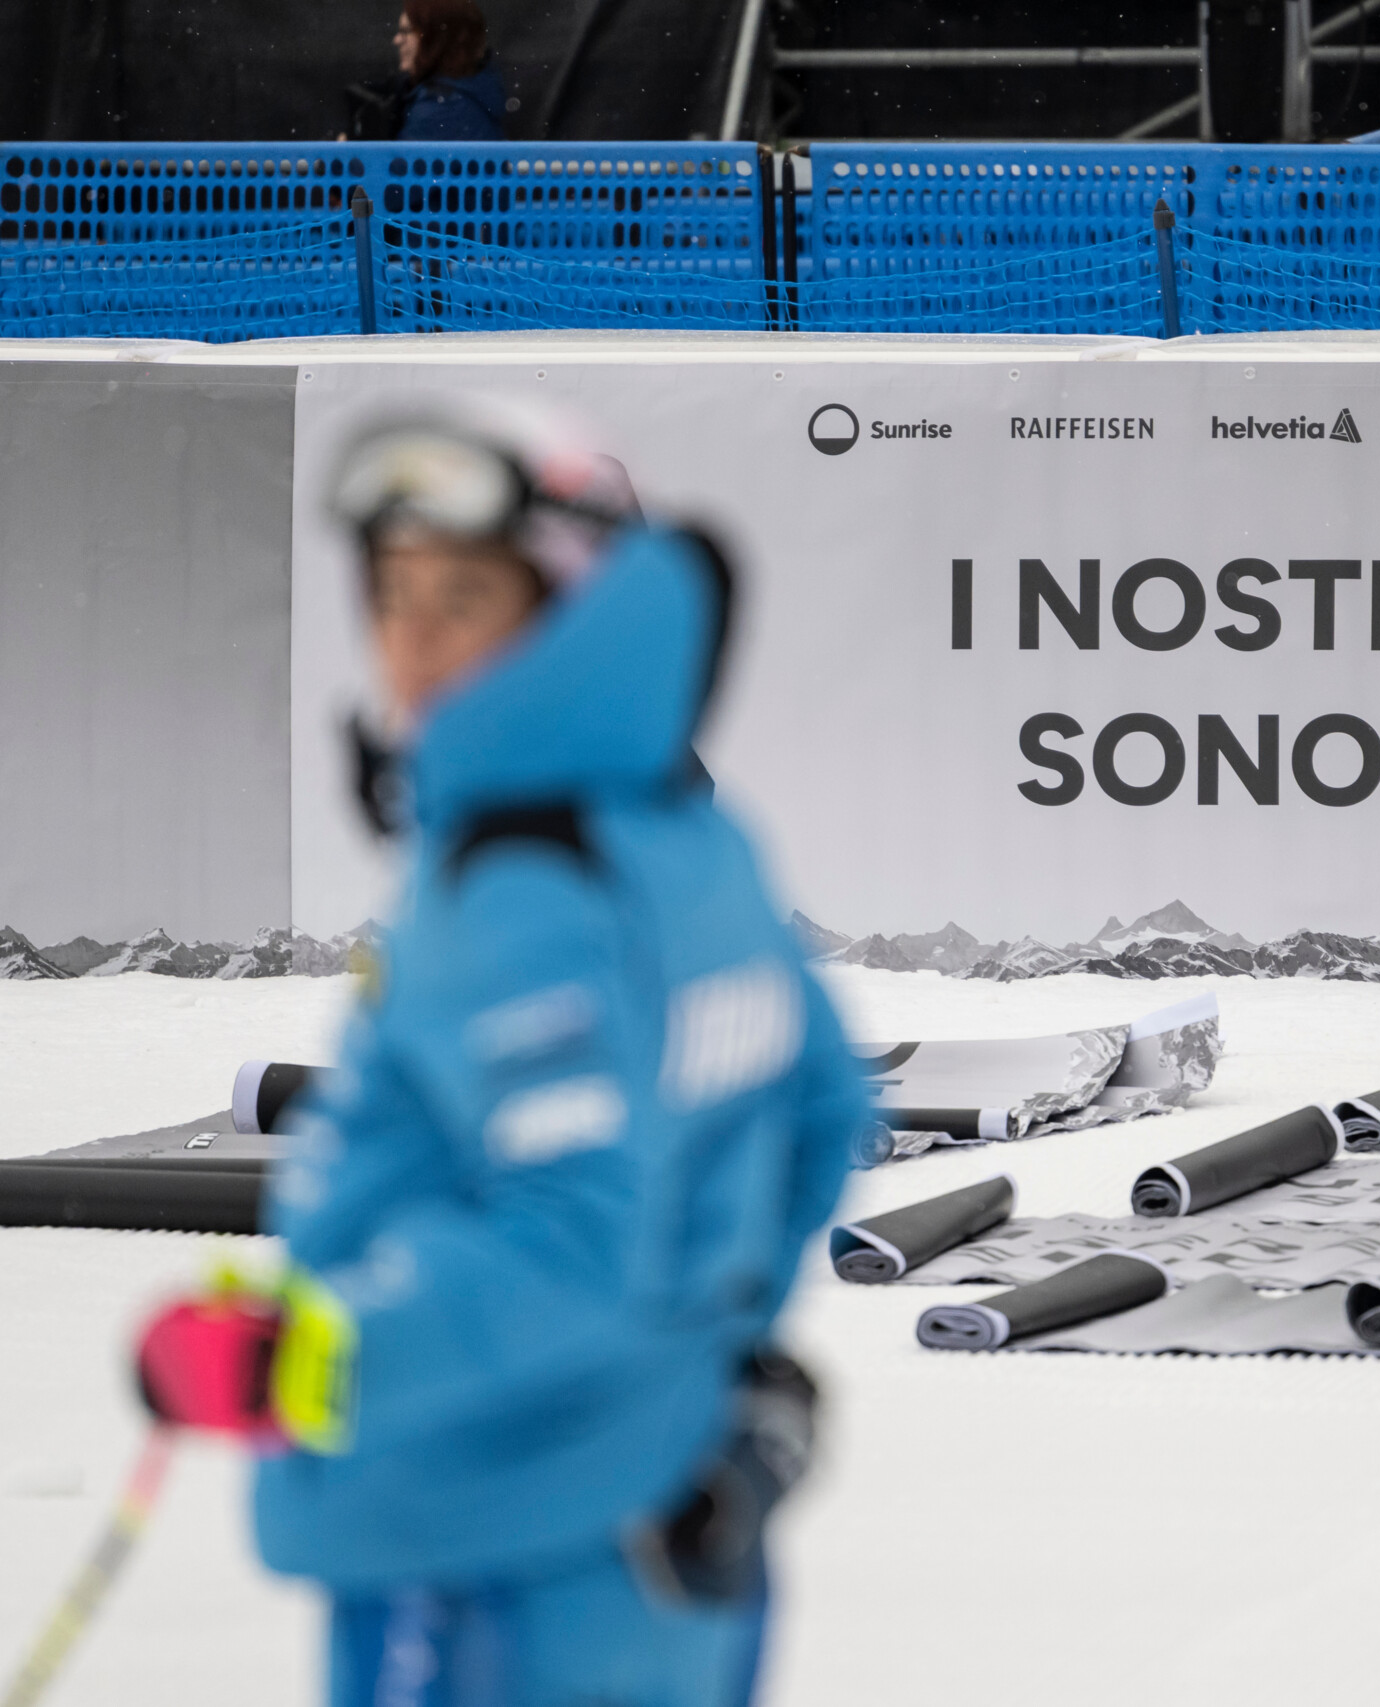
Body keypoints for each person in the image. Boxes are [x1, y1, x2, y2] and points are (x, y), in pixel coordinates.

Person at [134, 407, 870, 1707]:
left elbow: (568, 1230)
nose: (414, 643)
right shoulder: (682, 838)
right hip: (666, 1516)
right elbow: (814, 1104)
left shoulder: (519, 890)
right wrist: (710, 1345)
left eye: (463, 598)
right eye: (394, 595)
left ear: (566, 612)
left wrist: (302, 1352)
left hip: (491, 1541)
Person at [349, 0, 509, 141]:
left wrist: (352, 153)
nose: (397, 40)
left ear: (436, 39)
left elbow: (393, 171)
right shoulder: (461, 93)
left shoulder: (444, 108)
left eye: (406, 31)